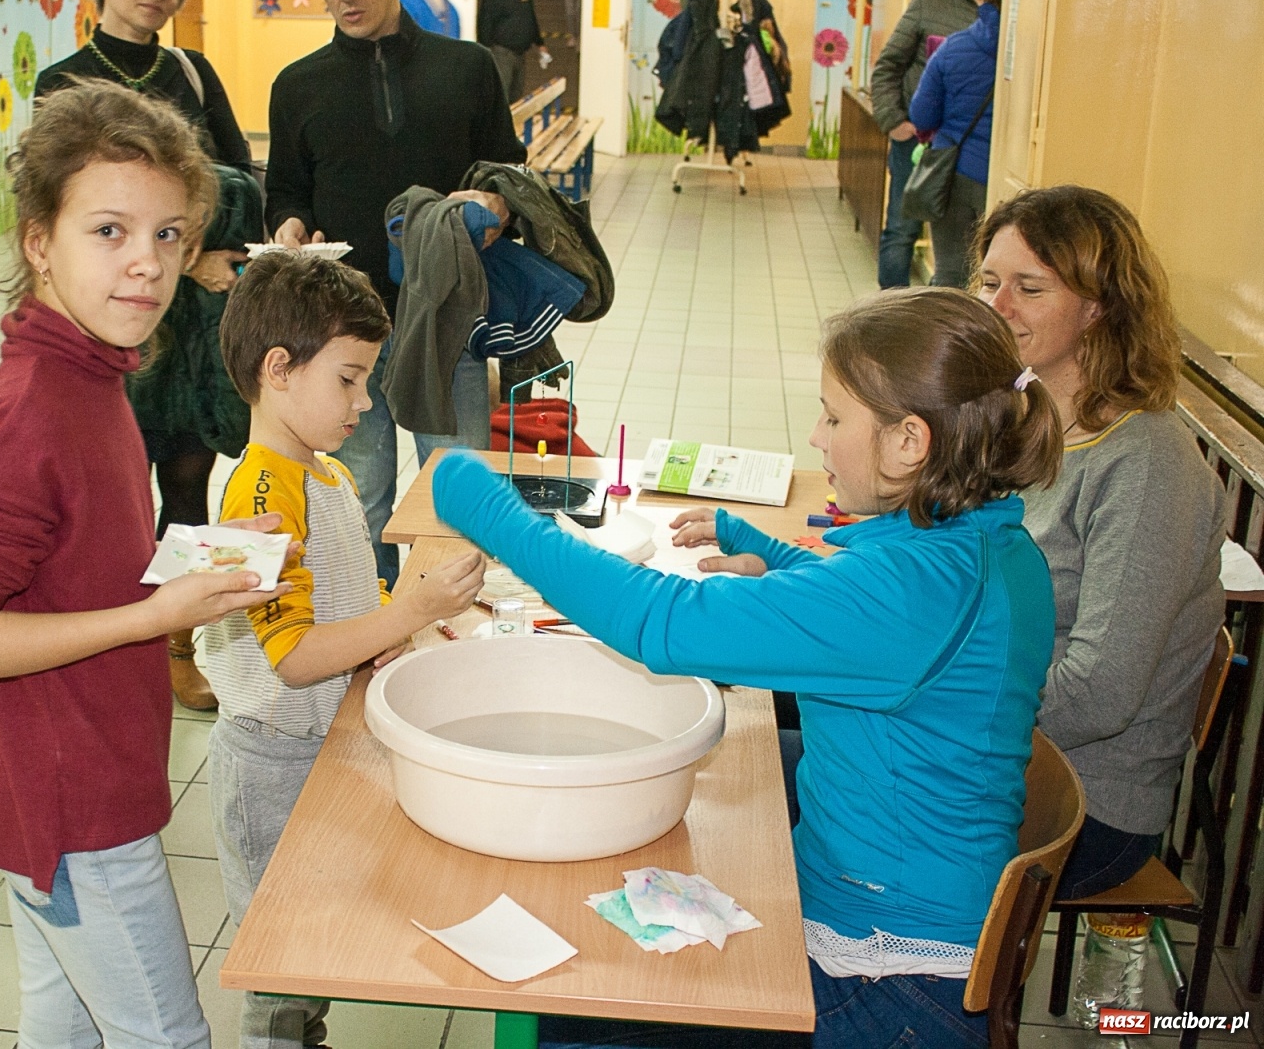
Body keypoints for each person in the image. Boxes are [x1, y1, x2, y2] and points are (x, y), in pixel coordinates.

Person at [433, 287, 1064, 1048]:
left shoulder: (906, 593)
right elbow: (872, 616)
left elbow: (653, 620)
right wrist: (773, 556)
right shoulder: (994, 547)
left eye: (834, 417)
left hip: (883, 987)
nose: (817, 438)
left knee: (570, 1025)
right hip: (923, 942)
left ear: (909, 442)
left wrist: (491, 507)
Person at [0, 80, 291, 1048]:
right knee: (165, 1035)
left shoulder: (93, 372)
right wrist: (154, 617)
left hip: (81, 767)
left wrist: (175, 574)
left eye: (170, 236)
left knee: (64, 1018)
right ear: (40, 240)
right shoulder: (32, 410)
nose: (147, 266)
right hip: (69, 801)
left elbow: (70, 562)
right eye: (110, 231)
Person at [206, 250, 486, 1049]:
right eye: (349, 380)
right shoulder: (263, 495)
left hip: (314, 742)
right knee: (277, 957)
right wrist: (409, 611)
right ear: (279, 370)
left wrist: (394, 637)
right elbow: (291, 659)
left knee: (308, 942)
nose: (366, 403)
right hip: (269, 762)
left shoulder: (317, 472)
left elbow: (336, 611)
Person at [974, 186, 1226, 900]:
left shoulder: (1145, 464)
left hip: (1080, 805)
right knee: (768, 728)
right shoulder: (1028, 415)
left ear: (1101, 306)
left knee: (780, 792)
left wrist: (939, 703)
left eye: (1029, 288)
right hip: (995, 747)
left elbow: (1100, 693)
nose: (997, 307)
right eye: (989, 282)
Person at [37, 0, 258, 711]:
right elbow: (53, 207)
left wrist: (188, 249)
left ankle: (175, 648)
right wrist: (185, 243)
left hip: (189, 323)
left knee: (187, 487)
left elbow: (241, 185)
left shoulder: (191, 72)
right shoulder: (62, 82)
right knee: (110, 495)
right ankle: (105, 638)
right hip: (104, 322)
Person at [267, 0, 527, 590]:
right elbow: (285, 189)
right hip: (340, 336)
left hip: (445, 326)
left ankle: (453, 633)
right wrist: (289, 227)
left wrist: (496, 204)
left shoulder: (467, 68)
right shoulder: (297, 84)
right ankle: (372, 634)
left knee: (456, 494)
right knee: (361, 502)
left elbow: (508, 170)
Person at [868, 0, 980, 288]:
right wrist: (894, 122)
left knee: (966, 250)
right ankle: (891, 314)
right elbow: (887, 68)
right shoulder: (929, 4)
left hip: (970, 151)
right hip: (917, 143)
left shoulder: (1008, 12)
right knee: (902, 229)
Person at [909, 0, 999, 289]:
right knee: (996, 281)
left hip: (956, 175)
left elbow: (922, 115)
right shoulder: (1036, 54)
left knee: (950, 273)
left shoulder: (954, 47)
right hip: (1005, 182)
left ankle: (945, 336)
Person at [478, 0, 551, 103]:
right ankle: (499, 121)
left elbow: (531, 21)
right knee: (502, 93)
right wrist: (486, 50)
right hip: (501, 52)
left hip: (520, 53)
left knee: (516, 94)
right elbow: (485, 25)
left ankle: (512, 121)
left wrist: (540, 43)